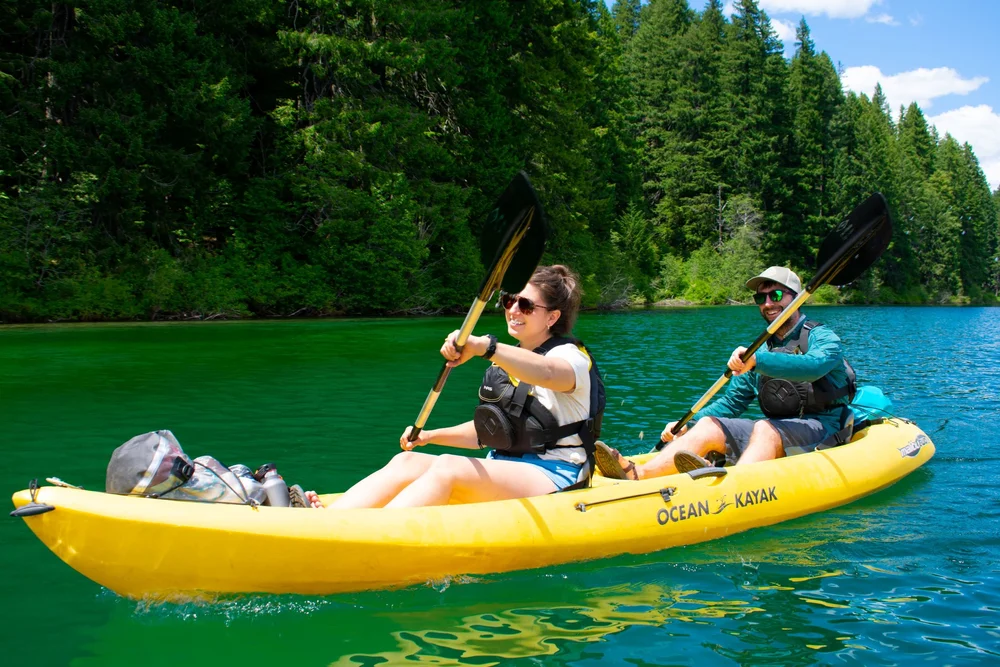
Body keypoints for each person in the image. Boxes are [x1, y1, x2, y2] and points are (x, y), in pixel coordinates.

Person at [303, 265, 603, 509]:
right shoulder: (508, 359)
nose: (513, 310)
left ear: (552, 317)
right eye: (509, 301)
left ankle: (361, 535)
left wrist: (485, 346)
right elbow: (491, 433)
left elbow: (549, 374)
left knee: (449, 468)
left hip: (556, 474)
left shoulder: (570, 358)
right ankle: (333, 519)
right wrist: (430, 437)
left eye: (525, 305)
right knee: (407, 461)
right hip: (504, 467)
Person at [595, 266, 855, 480]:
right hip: (776, 429)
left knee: (765, 428)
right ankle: (637, 475)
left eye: (776, 296)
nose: (767, 304)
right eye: (760, 298)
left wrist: (758, 361)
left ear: (796, 298)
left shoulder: (823, 337)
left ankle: (733, 490)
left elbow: (814, 367)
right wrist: (685, 425)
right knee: (709, 425)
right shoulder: (762, 348)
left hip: (822, 428)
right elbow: (732, 403)